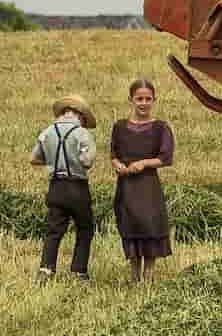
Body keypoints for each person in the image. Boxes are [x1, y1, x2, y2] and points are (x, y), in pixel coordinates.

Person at [110, 78, 175, 284]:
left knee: (150, 227)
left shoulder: (161, 128)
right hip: (127, 186)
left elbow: (166, 158)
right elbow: (113, 154)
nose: (144, 103)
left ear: (154, 100)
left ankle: (148, 277)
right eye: (139, 99)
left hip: (148, 186)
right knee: (130, 226)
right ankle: (133, 276)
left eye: (148, 99)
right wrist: (117, 164)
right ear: (131, 99)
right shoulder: (119, 127)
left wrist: (144, 163)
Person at [31, 94, 98, 284]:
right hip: (77, 187)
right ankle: (78, 272)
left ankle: (46, 269)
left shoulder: (47, 132)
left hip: (55, 187)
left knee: (54, 230)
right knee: (84, 228)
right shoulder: (82, 133)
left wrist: (53, 161)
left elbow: (34, 158)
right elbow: (87, 161)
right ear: (80, 115)